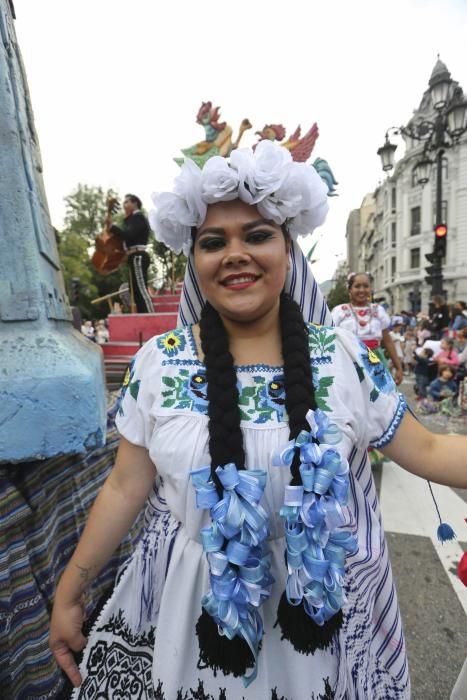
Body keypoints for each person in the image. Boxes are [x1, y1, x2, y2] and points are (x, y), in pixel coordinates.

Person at [49, 142, 467, 700]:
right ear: (194, 260)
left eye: (258, 235)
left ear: (288, 251)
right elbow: (126, 485)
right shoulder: (159, 363)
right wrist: (71, 591)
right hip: (193, 617)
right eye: (214, 242)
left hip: (323, 624)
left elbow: (432, 451)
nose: (235, 254)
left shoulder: (342, 358)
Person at [331, 273, 404, 385]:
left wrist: (398, 367)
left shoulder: (378, 310)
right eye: (357, 286)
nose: (362, 290)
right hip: (349, 361)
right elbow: (331, 341)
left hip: (375, 360)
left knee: (379, 398)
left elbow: (388, 341)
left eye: (366, 286)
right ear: (350, 289)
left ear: (371, 289)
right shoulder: (339, 311)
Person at [109, 194, 154, 313]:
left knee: (141, 289)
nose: (124, 205)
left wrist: (112, 227)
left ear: (135, 204)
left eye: (127, 202)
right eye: (124, 203)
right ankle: (144, 316)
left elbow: (128, 235)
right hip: (133, 257)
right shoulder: (131, 220)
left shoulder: (138, 217)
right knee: (135, 291)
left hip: (138, 256)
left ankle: (150, 316)